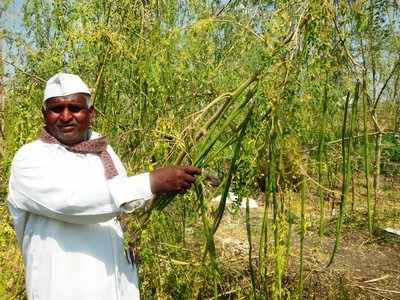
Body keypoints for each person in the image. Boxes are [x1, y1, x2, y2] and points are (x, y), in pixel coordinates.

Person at [7, 73, 201, 300]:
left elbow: (119, 209)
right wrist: (151, 182)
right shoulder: (30, 159)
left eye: (75, 108)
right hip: (61, 288)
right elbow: (71, 203)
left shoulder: (104, 152)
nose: (66, 116)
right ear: (44, 114)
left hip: (116, 286)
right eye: (57, 109)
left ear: (91, 113)